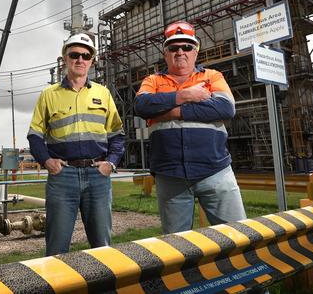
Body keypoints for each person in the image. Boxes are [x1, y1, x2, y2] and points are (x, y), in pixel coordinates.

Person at [134, 20, 246, 234]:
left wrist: (169, 110)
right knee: (178, 245)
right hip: (170, 175)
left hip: (216, 172)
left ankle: (239, 269)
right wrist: (186, 95)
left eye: (187, 47)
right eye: (173, 48)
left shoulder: (212, 76)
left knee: (237, 236)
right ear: (165, 53)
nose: (180, 52)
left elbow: (224, 108)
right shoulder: (153, 80)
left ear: (196, 52)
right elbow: (142, 105)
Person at [27, 33, 125, 255]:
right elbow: (34, 135)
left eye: (86, 55)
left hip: (97, 176)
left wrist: (110, 163)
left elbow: (117, 135)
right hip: (64, 177)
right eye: (74, 54)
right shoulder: (48, 95)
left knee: (103, 248)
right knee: (56, 248)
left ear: (92, 60)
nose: (80, 59)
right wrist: (47, 161)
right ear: (65, 58)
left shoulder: (103, 93)